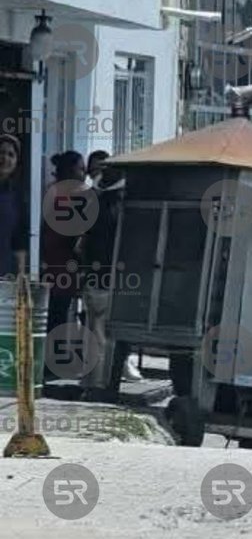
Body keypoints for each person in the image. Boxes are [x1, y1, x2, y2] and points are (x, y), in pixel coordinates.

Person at [80, 151, 140, 390]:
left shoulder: (95, 202)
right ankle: (101, 384)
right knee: (105, 335)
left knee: (95, 332)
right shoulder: (122, 204)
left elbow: (84, 242)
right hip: (112, 278)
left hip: (96, 277)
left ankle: (94, 381)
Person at [41, 151, 86, 381]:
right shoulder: (64, 193)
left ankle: (56, 359)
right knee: (57, 314)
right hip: (61, 262)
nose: (84, 172)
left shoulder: (55, 190)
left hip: (58, 261)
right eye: (80, 168)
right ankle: (52, 363)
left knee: (59, 313)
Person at [0, 135, 28, 279]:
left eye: (11, 154)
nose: (5, 158)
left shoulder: (18, 196)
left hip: (5, 273)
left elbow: (19, 239)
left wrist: (21, 276)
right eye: (1, 152)